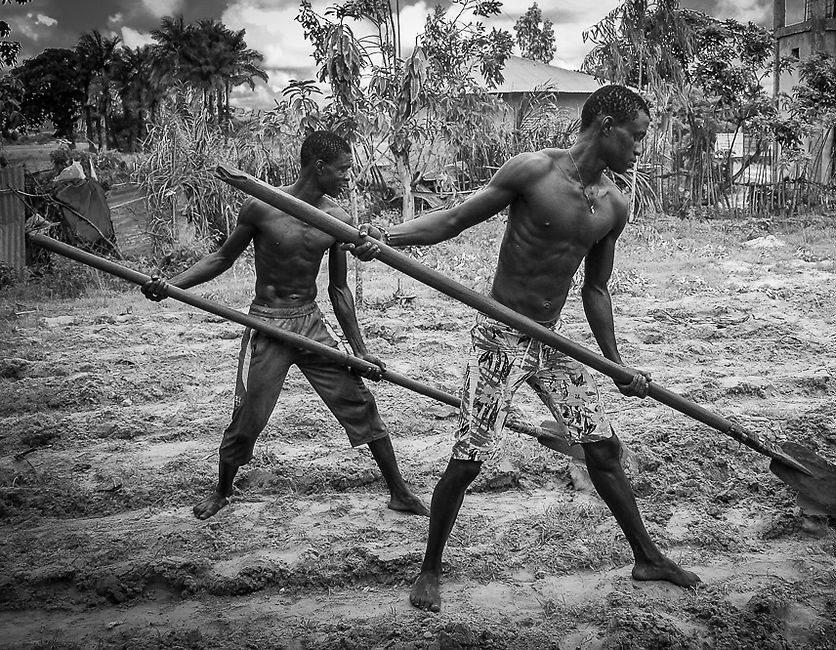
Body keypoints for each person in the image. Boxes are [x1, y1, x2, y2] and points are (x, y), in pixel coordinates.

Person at [353, 85, 701, 612]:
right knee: (470, 459)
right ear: (605, 125)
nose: (640, 148)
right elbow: (452, 221)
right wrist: (388, 239)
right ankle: (430, 568)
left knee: (604, 450)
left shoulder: (615, 205)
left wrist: (614, 364)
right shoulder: (532, 172)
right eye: (636, 136)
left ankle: (647, 556)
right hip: (500, 337)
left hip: (553, 342)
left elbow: (595, 289)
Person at [142, 131, 428, 521]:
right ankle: (222, 491)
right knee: (248, 417)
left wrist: (360, 351)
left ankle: (399, 491)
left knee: (359, 402)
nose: (349, 177)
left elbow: (339, 290)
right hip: (267, 324)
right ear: (319, 167)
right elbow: (222, 258)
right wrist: (172, 286)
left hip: (310, 323)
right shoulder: (261, 205)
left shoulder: (338, 220)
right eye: (344, 169)